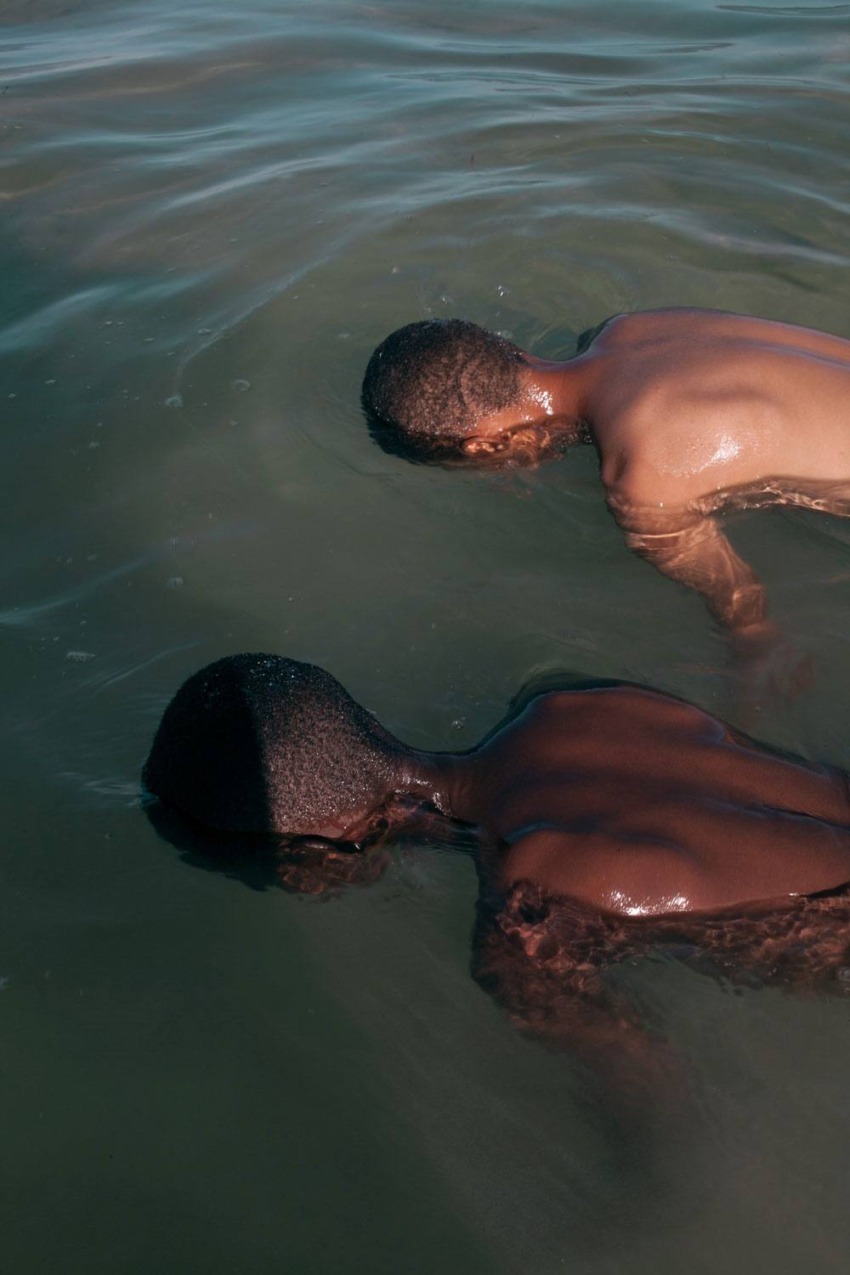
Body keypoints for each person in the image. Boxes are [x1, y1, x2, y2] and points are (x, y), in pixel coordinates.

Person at [144, 652, 850, 1081]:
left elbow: (655, 1087)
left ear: (315, 866)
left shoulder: (526, 924)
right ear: (361, 720)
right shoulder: (565, 699)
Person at [361, 310, 850, 659]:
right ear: (510, 351)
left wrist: (755, 657)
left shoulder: (644, 479)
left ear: (485, 447)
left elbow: (742, 602)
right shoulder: (629, 327)